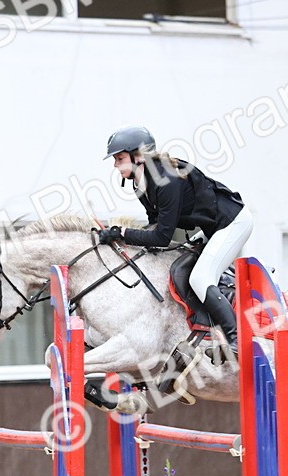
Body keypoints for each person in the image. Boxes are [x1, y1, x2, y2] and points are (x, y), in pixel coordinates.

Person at [100, 125, 253, 350]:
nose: (115, 164)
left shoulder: (166, 180)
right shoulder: (141, 182)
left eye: (120, 158)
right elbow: (154, 224)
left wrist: (123, 233)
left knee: (200, 278)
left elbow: (162, 237)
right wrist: (121, 238)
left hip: (233, 223)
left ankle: (236, 338)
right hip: (212, 226)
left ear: (139, 156)